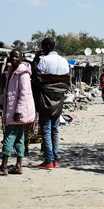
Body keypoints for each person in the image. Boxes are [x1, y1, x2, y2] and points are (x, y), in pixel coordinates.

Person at [0, 49, 35, 175]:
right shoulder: (12, 73)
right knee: (19, 138)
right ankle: (18, 166)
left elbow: (24, 94)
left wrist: (19, 111)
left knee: (9, 138)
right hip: (13, 112)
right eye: (12, 57)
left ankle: (4, 167)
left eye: (17, 57)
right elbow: (8, 95)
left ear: (21, 58)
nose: (14, 59)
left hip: (16, 113)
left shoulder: (23, 74)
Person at [32, 37, 70, 170]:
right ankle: (55, 159)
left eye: (43, 47)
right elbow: (65, 82)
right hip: (59, 100)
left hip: (45, 100)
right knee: (55, 130)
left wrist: (35, 60)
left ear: (47, 47)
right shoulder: (64, 61)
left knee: (46, 131)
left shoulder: (44, 60)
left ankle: (49, 160)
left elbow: (37, 78)